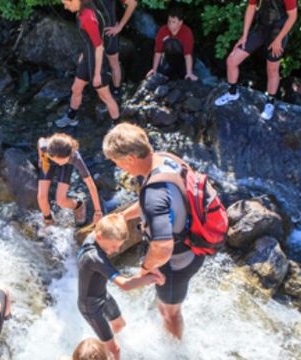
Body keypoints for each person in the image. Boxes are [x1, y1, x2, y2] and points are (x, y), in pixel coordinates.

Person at [102, 123, 204, 340]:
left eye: (117, 162)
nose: (120, 167)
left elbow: (162, 246)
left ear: (130, 158)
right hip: (193, 237)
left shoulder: (154, 194)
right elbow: (162, 203)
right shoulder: (165, 160)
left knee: (169, 312)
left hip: (178, 260)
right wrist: (123, 216)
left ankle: (176, 350)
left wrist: (145, 269)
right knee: (168, 301)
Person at [77, 213, 161, 359]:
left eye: (119, 246)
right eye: (114, 246)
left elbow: (107, 221)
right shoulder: (95, 258)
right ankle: (104, 349)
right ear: (99, 237)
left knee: (120, 325)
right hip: (90, 307)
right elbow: (125, 285)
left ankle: (104, 342)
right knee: (115, 350)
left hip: (102, 295)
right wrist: (151, 277)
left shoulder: (96, 234)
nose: (116, 250)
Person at [214, 0, 298, 120]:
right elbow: (251, 7)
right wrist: (244, 35)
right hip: (260, 29)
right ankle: (232, 92)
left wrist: (279, 39)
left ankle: (270, 102)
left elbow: (293, 16)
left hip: (278, 31)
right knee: (232, 60)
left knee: (272, 69)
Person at [56, 0, 120, 128]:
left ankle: (117, 126)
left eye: (66, 3)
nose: (65, 6)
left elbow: (99, 47)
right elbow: (88, 41)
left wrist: (97, 74)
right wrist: (83, 55)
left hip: (97, 62)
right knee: (76, 88)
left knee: (105, 96)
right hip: (87, 59)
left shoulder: (88, 17)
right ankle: (71, 117)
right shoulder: (81, 13)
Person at [37, 133, 102, 226]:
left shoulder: (75, 158)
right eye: (57, 161)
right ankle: (48, 220)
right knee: (41, 198)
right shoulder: (46, 147)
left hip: (67, 166)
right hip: (48, 161)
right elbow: (40, 141)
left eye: (61, 161)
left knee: (61, 201)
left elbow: (91, 185)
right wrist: (40, 158)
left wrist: (98, 211)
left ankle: (79, 205)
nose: (59, 164)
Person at [94, 0, 138, 98]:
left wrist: (120, 26)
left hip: (109, 33)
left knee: (114, 63)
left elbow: (132, 3)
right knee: (90, 61)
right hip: (94, 33)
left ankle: (117, 91)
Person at [147, 7, 197, 81]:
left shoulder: (187, 32)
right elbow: (158, 52)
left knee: (185, 77)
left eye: (173, 22)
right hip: (168, 60)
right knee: (163, 77)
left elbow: (188, 55)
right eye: (169, 21)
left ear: (180, 23)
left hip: (183, 60)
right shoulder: (163, 30)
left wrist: (189, 73)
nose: (170, 24)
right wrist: (154, 69)